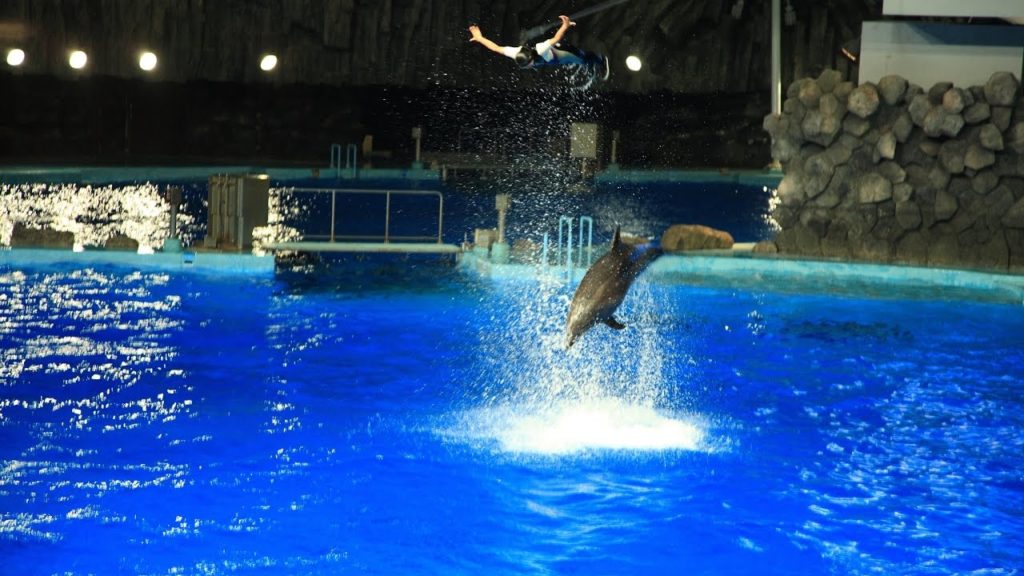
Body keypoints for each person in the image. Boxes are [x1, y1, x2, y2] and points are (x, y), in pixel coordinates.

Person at [468, 15, 609, 81]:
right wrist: (480, 38)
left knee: (582, 59)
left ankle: (601, 60)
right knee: (580, 60)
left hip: (562, 53)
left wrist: (564, 26)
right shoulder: (515, 53)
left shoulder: (540, 49)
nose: (528, 67)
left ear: (531, 59)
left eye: (528, 65)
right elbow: (496, 48)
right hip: (553, 59)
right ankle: (590, 60)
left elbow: (556, 38)